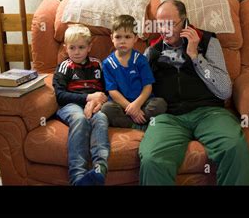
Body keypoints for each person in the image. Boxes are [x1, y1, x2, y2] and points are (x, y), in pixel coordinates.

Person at [139, 0, 249, 185]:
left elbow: (224, 91)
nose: (164, 30)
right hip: (168, 116)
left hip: (209, 112)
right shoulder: (153, 50)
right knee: (152, 159)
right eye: (160, 24)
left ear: (184, 21)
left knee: (235, 147)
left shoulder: (208, 41)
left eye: (170, 24)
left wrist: (195, 57)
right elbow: (139, 86)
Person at [53, 24, 110, 186]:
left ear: (89, 47)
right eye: (72, 47)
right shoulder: (65, 67)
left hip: (94, 105)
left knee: (101, 119)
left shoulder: (97, 64)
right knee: (80, 119)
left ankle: (100, 168)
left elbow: (106, 90)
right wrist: (87, 98)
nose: (76, 52)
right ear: (65, 48)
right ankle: (78, 177)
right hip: (70, 105)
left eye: (81, 47)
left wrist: (97, 102)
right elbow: (60, 95)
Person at [101, 15, 167, 129]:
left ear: (135, 38)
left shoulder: (141, 60)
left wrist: (136, 105)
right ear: (112, 38)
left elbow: (148, 86)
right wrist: (131, 109)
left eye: (127, 37)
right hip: (122, 106)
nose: (122, 41)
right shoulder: (107, 63)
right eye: (118, 37)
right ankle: (138, 126)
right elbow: (112, 91)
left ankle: (137, 122)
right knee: (107, 109)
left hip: (142, 103)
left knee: (160, 104)